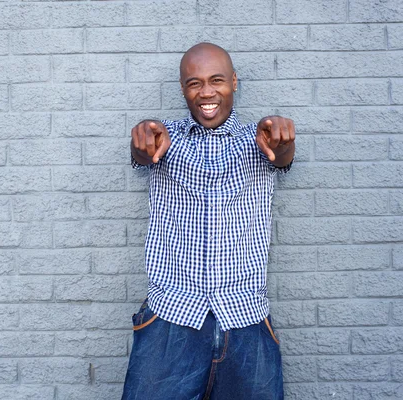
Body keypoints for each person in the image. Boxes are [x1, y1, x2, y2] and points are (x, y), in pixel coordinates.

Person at [122, 42, 295, 400]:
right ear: (183, 89)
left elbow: (281, 156)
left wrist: (283, 139)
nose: (206, 92)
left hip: (246, 319)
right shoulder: (164, 138)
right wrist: (142, 135)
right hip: (171, 319)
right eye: (194, 83)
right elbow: (143, 149)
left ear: (234, 81)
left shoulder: (258, 139)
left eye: (217, 80)